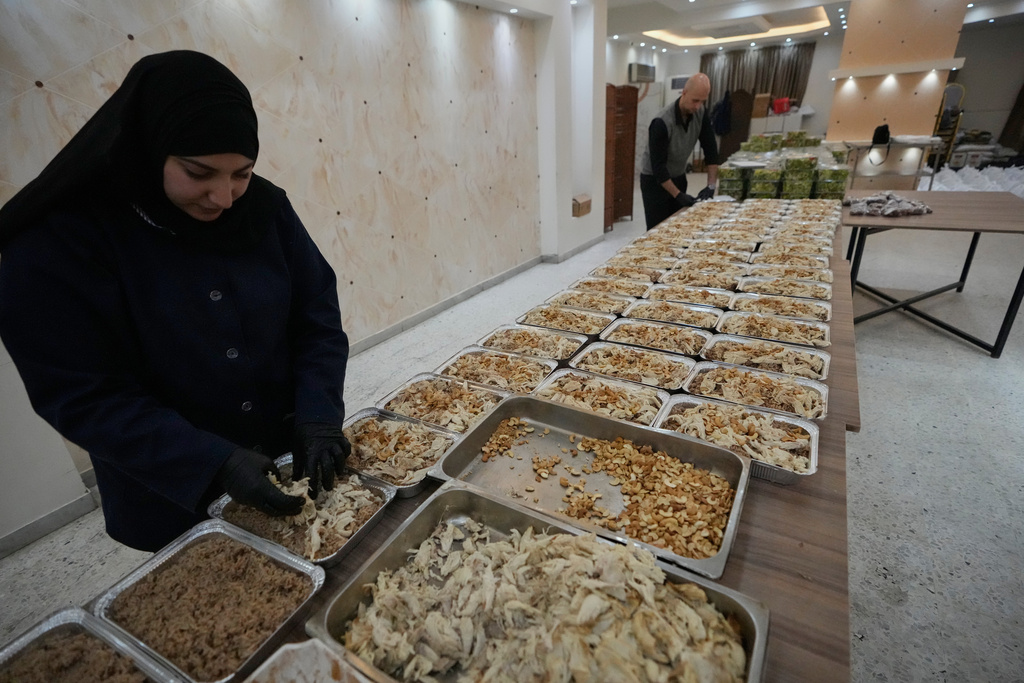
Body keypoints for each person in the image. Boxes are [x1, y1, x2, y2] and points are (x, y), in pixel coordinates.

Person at [0, 51, 352, 552]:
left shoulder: (263, 208)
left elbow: (316, 317)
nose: (224, 198)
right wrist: (211, 461)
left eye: (242, 173)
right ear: (151, 146)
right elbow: (81, 393)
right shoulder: (58, 243)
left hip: (284, 456)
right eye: (198, 172)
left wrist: (318, 413)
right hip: (169, 491)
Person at [638, 73, 721, 230]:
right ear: (684, 93)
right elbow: (658, 168)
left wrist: (711, 186)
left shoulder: (700, 113)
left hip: (678, 176)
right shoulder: (661, 122)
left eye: (702, 101)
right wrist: (678, 195)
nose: (698, 106)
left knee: (678, 227)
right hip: (654, 182)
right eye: (695, 100)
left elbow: (711, 149)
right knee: (658, 230)